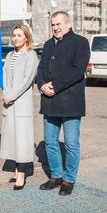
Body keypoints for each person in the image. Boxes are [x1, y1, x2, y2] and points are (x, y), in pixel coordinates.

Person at [37, 11, 90, 196]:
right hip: (49, 100)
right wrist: (41, 85)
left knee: (71, 144)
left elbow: (78, 70)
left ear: (68, 24)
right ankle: (56, 176)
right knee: (50, 142)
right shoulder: (48, 44)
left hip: (70, 102)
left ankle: (68, 179)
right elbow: (41, 68)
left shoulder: (80, 42)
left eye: (59, 24)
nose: (55, 28)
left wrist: (55, 85)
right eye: (53, 25)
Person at [0, 25, 39, 190]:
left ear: (26, 38)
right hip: (8, 102)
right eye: (14, 35)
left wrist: (12, 95)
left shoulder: (31, 55)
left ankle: (22, 175)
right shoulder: (9, 55)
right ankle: (16, 170)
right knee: (12, 138)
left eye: (19, 35)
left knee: (22, 139)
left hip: (21, 102)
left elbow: (27, 80)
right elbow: (4, 76)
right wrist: (6, 93)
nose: (16, 38)